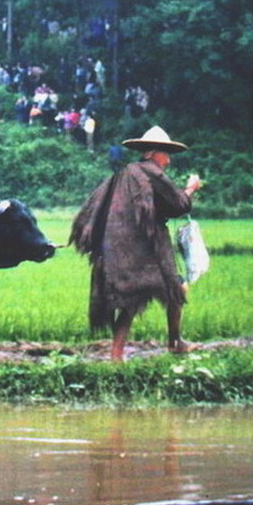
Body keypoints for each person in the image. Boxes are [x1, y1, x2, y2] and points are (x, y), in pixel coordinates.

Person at [70, 126, 202, 361]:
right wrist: (191, 189)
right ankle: (175, 342)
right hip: (148, 247)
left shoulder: (126, 174)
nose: (168, 161)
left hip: (124, 248)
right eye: (166, 154)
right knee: (176, 288)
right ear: (153, 152)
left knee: (130, 300)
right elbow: (179, 205)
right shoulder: (153, 173)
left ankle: (116, 354)